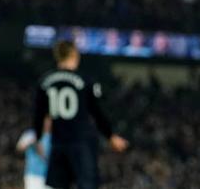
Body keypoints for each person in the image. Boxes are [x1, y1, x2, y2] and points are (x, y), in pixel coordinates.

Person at [32, 41, 128, 189]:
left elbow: (38, 114)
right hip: (80, 141)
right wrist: (110, 136)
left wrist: (38, 138)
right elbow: (97, 112)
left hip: (57, 143)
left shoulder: (45, 81)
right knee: (87, 185)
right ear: (74, 54)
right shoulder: (85, 80)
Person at [16, 121, 51, 189]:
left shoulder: (56, 137)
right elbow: (19, 148)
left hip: (49, 176)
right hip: (33, 175)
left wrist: (39, 150)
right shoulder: (31, 134)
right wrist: (31, 144)